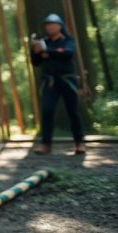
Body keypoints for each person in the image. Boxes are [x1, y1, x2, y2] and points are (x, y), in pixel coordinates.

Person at [31, 13, 86, 155]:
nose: (49, 27)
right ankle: (46, 144)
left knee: (73, 112)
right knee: (47, 111)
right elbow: (36, 62)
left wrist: (47, 52)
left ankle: (79, 143)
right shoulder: (44, 42)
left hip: (67, 81)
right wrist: (36, 51)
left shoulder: (67, 40)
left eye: (52, 24)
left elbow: (67, 53)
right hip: (50, 82)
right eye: (47, 24)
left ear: (59, 26)